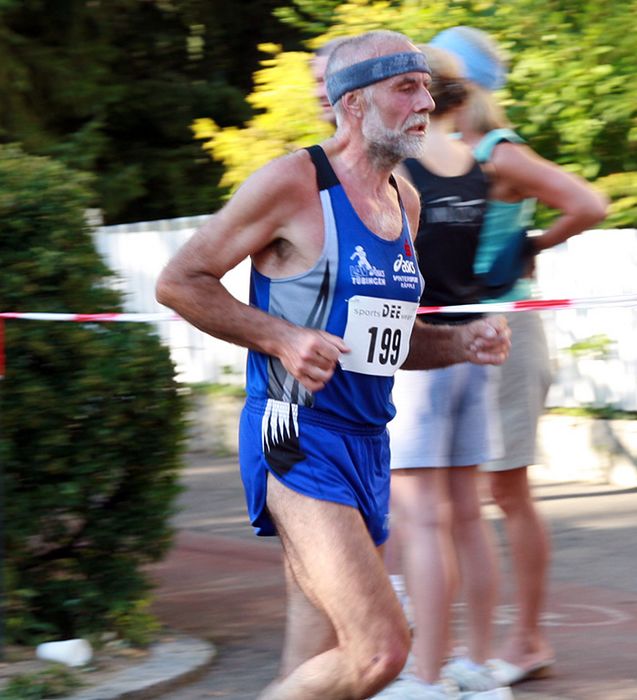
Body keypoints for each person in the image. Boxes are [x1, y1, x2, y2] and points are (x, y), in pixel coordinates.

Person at [157, 30, 511, 700]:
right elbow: (180, 282)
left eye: (426, 87)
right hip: (294, 434)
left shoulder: (404, 201)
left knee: (314, 664)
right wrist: (281, 338)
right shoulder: (293, 183)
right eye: (405, 87)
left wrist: (462, 343)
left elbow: (389, 342)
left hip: (368, 443)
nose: (425, 102)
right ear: (353, 104)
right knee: (379, 651)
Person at [432, 25, 608, 685]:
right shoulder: (445, 154)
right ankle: (458, 641)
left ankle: (527, 639)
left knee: (504, 490)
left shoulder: (497, 153)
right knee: (452, 493)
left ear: (461, 84)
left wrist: (530, 246)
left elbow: (588, 203)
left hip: (506, 331)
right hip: (456, 334)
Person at [375, 45, 510, 700]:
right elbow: (496, 252)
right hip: (473, 347)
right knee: (467, 516)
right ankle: (475, 667)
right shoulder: (475, 164)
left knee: (421, 519)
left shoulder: (399, 167)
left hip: (422, 350)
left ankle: (425, 676)